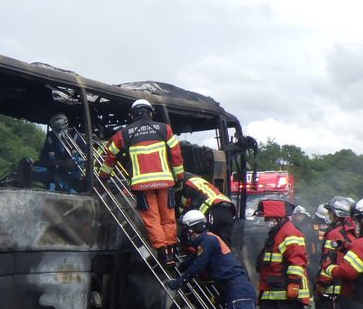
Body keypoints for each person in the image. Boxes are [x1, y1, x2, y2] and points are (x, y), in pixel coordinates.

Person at [97, 98, 185, 262]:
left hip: (142, 185)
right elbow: (176, 155)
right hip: (165, 182)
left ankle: (162, 254)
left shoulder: (123, 134)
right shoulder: (165, 129)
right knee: (168, 218)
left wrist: (103, 177)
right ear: (151, 113)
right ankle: (172, 252)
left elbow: (110, 158)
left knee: (153, 219)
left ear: (132, 115)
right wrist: (179, 177)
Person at [254, 199, 311, 309]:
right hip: (281, 293)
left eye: (267, 218)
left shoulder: (288, 233)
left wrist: (293, 283)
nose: (265, 222)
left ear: (277, 217)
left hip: (281, 294)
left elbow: (297, 261)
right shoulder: (278, 232)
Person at [307, 196, 356, 309]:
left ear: (336, 214)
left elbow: (328, 261)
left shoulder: (334, 234)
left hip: (331, 289)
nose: (328, 215)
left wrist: (321, 283)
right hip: (347, 289)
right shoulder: (352, 232)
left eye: (330, 212)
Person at [177, 173, 237, 246]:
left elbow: (184, 209)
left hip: (213, 210)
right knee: (224, 245)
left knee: (204, 241)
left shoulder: (185, 184)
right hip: (228, 209)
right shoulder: (196, 181)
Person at [34, 113, 84, 192]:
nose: (58, 126)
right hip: (55, 174)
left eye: (60, 123)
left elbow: (87, 159)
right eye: (55, 125)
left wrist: (75, 163)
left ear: (66, 123)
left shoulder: (77, 137)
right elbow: (43, 159)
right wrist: (61, 163)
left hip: (75, 177)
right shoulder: (50, 139)